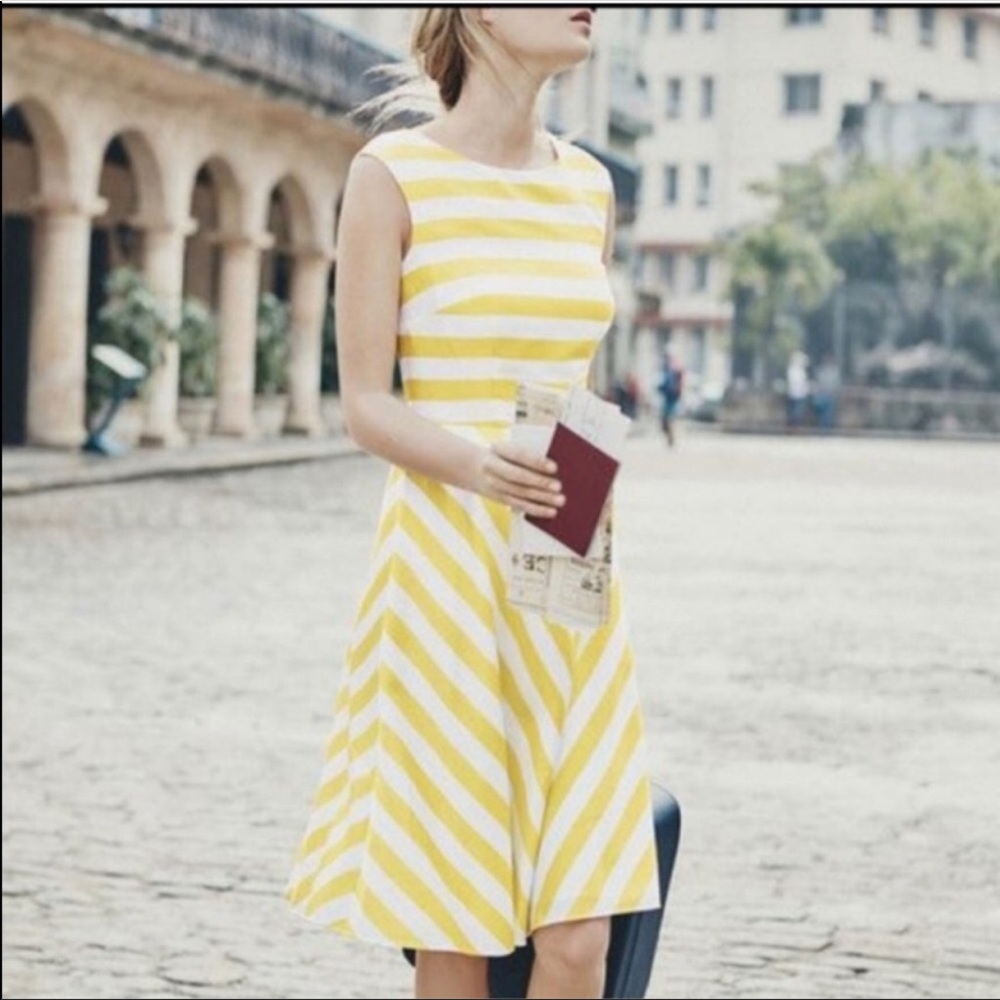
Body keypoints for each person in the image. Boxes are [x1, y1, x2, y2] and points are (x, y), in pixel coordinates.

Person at [284, 9, 661, 1000]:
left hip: (568, 565)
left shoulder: (590, 188)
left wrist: (582, 482)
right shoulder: (392, 175)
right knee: (458, 929)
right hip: (444, 576)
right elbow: (365, 403)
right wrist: (477, 464)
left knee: (579, 933)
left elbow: (574, 385)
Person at [656, 347, 684, 447]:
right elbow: (664, 383)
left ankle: (671, 438)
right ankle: (670, 437)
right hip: (667, 397)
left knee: (669, 419)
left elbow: (679, 384)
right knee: (665, 420)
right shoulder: (666, 368)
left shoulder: (675, 369)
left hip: (672, 397)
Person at [785, 349, 810, 430]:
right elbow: (795, 383)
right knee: (795, 412)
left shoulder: (800, 370)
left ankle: (796, 427)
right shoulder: (792, 370)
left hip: (800, 394)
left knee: (798, 412)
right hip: (795, 394)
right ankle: (794, 428)